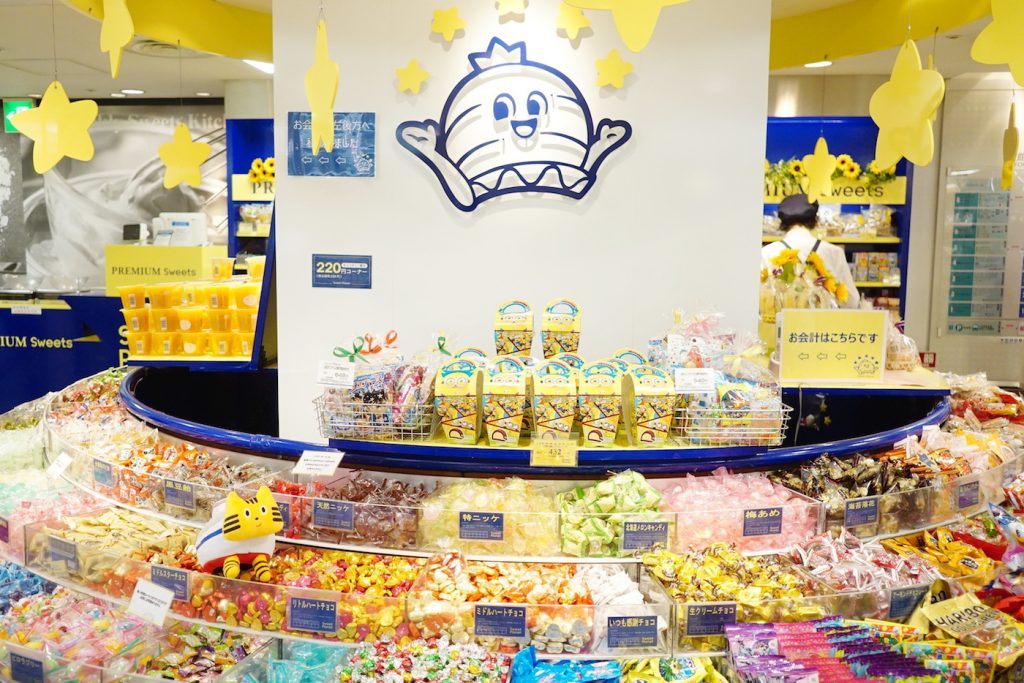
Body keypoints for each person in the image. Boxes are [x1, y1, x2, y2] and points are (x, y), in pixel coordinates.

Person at [761, 194, 860, 309]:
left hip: (779, 319)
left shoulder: (766, 252)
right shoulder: (834, 252)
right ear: (815, 219)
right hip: (823, 320)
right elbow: (852, 302)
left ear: (781, 221)